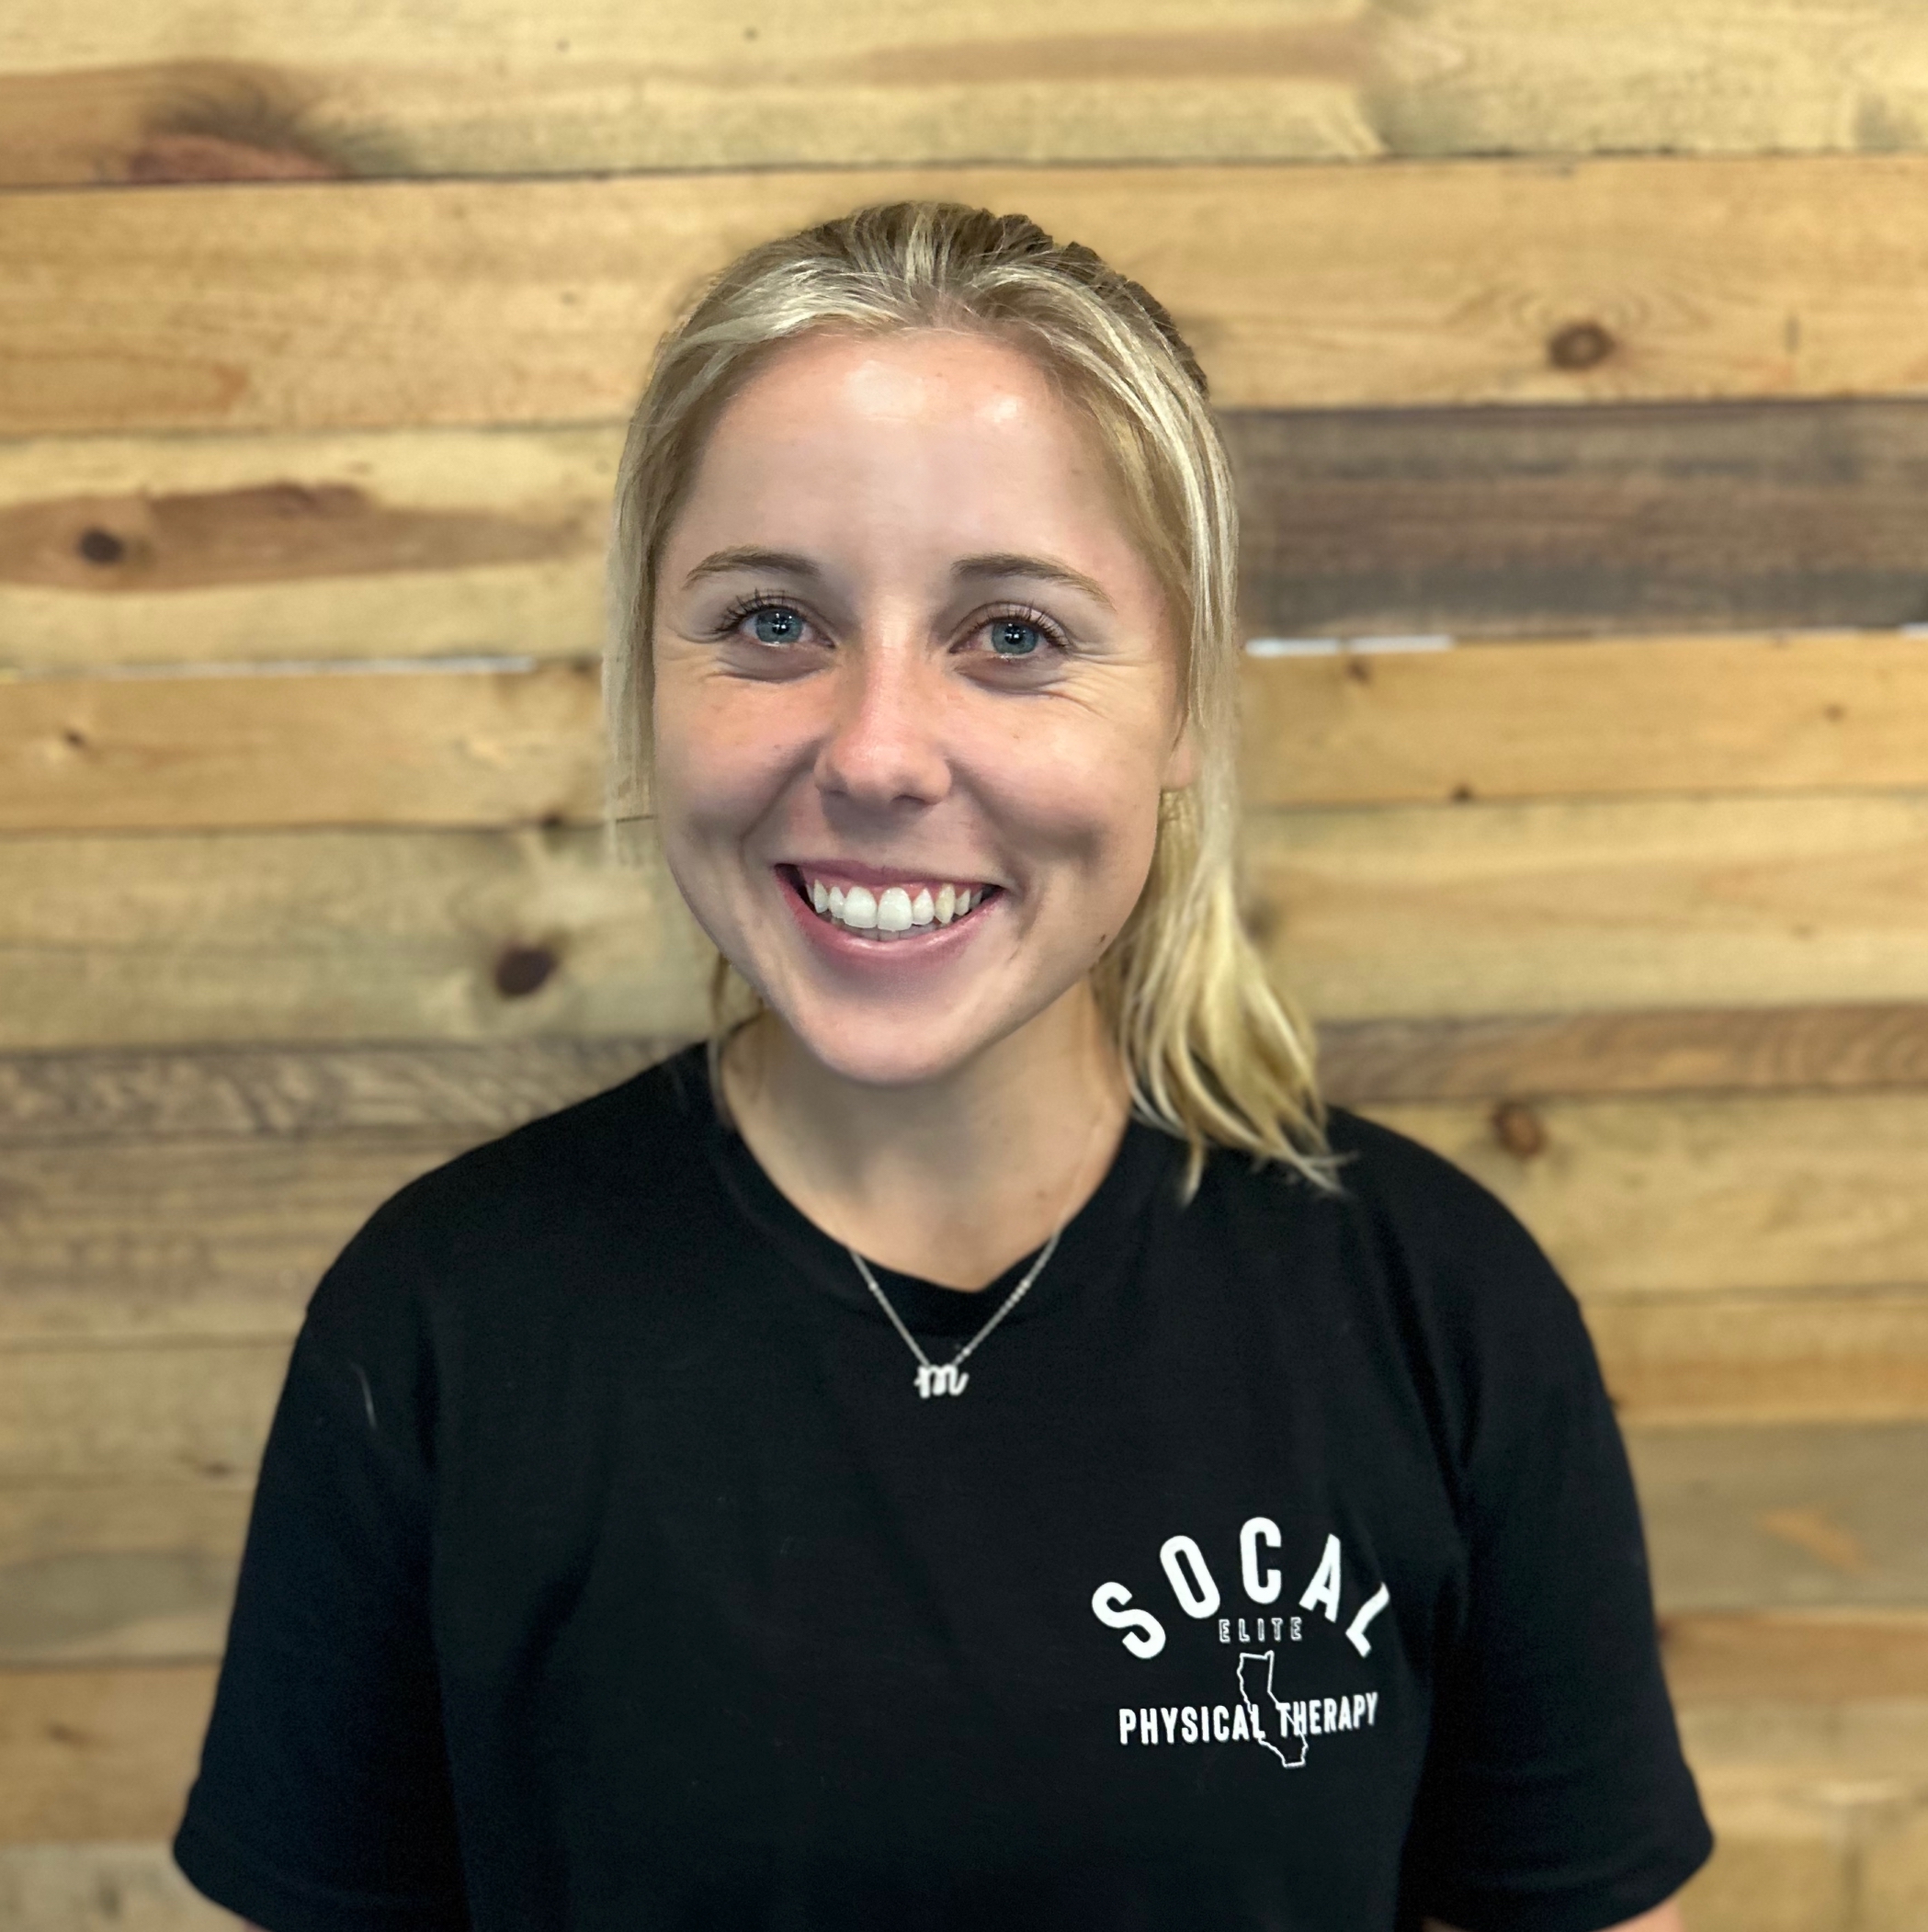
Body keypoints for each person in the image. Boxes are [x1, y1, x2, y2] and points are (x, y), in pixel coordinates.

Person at [173, 200, 1712, 1931]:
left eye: (1016, 636)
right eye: (769, 622)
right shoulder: (441, 1321)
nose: (880, 750)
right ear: (647, 679)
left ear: (1186, 701)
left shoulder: (1440, 1311)